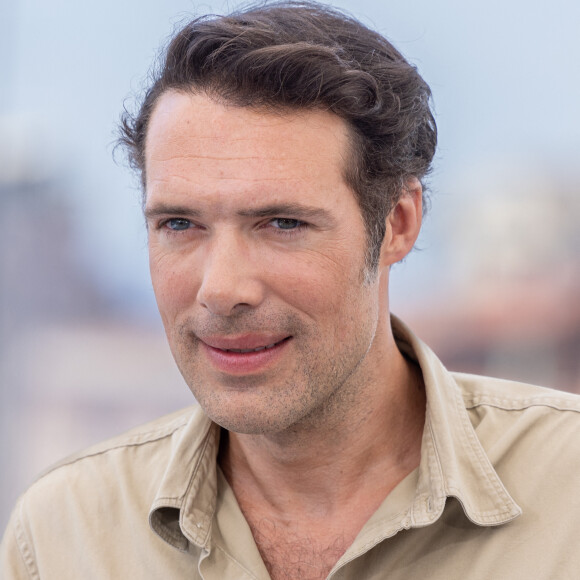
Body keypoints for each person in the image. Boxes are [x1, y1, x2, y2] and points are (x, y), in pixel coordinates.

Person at [2, 2, 580, 578]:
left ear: (399, 223)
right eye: (180, 224)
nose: (221, 289)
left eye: (283, 224)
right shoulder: (63, 536)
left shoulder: (567, 494)